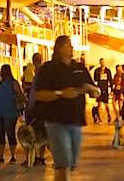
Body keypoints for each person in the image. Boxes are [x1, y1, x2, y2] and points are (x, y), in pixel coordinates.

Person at [31, 35, 100, 181]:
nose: (72, 48)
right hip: (56, 122)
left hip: (76, 122)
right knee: (64, 163)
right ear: (60, 48)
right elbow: (39, 94)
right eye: (68, 45)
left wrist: (91, 90)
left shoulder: (79, 68)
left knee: (69, 164)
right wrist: (61, 93)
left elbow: (95, 91)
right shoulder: (48, 69)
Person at [0, 64, 26, 164]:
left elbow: (20, 94)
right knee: (0, 134)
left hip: (9, 112)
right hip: (1, 112)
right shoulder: (1, 83)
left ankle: (12, 156)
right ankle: (1, 156)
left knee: (9, 133)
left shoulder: (12, 83)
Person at [92, 58, 113, 123]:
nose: (102, 63)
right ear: (99, 63)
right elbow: (95, 79)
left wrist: (111, 89)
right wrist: (99, 75)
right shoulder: (97, 70)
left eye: (103, 62)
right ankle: (99, 118)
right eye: (101, 62)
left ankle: (109, 116)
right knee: (99, 104)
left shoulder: (108, 70)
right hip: (99, 88)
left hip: (105, 89)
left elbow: (110, 80)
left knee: (106, 104)